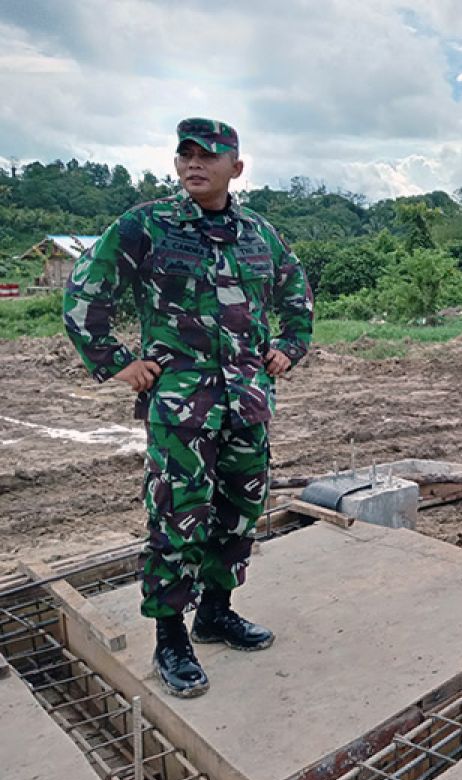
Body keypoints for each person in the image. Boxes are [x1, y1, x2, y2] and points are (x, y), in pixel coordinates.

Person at [63, 118, 314, 696]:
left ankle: (216, 612)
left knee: (239, 510)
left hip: (247, 404)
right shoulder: (146, 226)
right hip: (182, 408)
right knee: (177, 518)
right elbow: (84, 294)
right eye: (186, 155)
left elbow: (295, 294)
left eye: (209, 155)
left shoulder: (259, 235)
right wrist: (116, 361)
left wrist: (289, 348)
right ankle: (170, 639)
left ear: (237, 167)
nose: (194, 163)